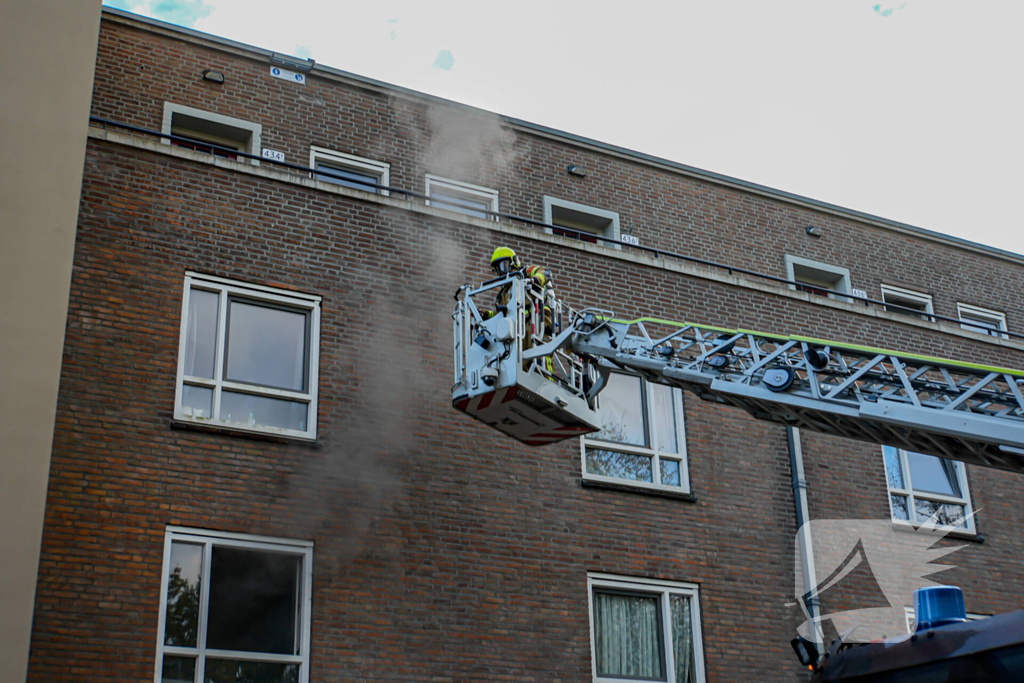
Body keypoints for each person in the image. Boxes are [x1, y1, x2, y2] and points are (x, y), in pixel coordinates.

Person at [484, 247, 555, 373]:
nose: (501, 272)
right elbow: (499, 315)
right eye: (497, 269)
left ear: (513, 262)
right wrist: (487, 315)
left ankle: (545, 379)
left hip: (537, 319)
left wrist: (537, 279)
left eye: (503, 265)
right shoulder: (503, 294)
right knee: (522, 361)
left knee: (540, 354)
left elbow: (545, 272)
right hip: (519, 329)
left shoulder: (525, 272)